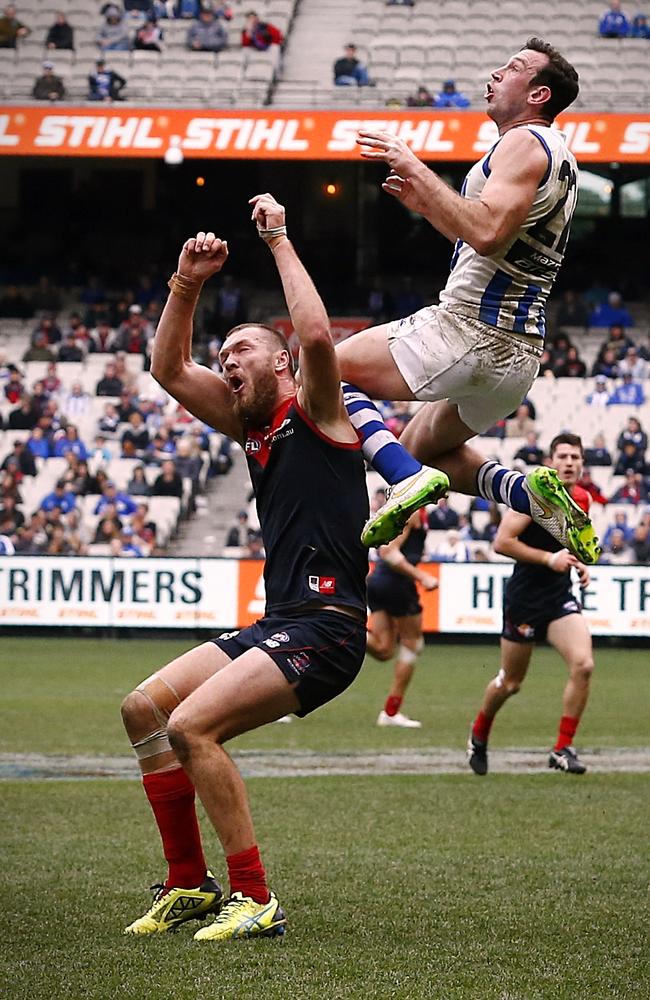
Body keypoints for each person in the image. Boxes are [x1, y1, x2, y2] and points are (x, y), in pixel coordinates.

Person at [120, 193, 368, 942]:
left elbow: (321, 336)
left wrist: (279, 239)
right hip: (281, 622)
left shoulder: (319, 411)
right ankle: (190, 885)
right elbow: (168, 367)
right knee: (143, 709)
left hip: (327, 629)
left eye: (241, 352)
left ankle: (255, 897)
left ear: (281, 361)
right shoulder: (249, 425)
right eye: (223, 356)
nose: (226, 363)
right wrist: (185, 284)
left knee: (193, 727)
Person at [333, 37, 600, 568]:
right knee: (417, 447)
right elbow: (494, 238)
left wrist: (415, 166)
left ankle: (402, 481)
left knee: (318, 369)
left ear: (538, 94)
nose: (497, 72)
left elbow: (487, 231)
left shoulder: (525, 142)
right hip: (519, 357)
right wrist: (427, 203)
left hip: (469, 332)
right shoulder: (558, 158)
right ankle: (525, 495)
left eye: (514, 68)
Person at [467, 433, 594, 776]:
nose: (569, 462)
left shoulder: (581, 498)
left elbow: (573, 543)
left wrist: (579, 563)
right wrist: (548, 559)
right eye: (563, 456)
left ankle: (562, 749)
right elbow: (501, 542)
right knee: (511, 682)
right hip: (524, 597)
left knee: (583, 665)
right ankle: (479, 734)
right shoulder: (534, 496)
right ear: (551, 462)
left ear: (583, 463)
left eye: (576, 457)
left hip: (558, 597)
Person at [367, 510, 438, 728]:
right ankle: (391, 712)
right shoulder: (413, 511)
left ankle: (342, 628)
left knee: (384, 650)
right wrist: (422, 576)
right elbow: (388, 552)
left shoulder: (413, 509)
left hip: (378, 581)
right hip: (395, 583)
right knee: (413, 644)